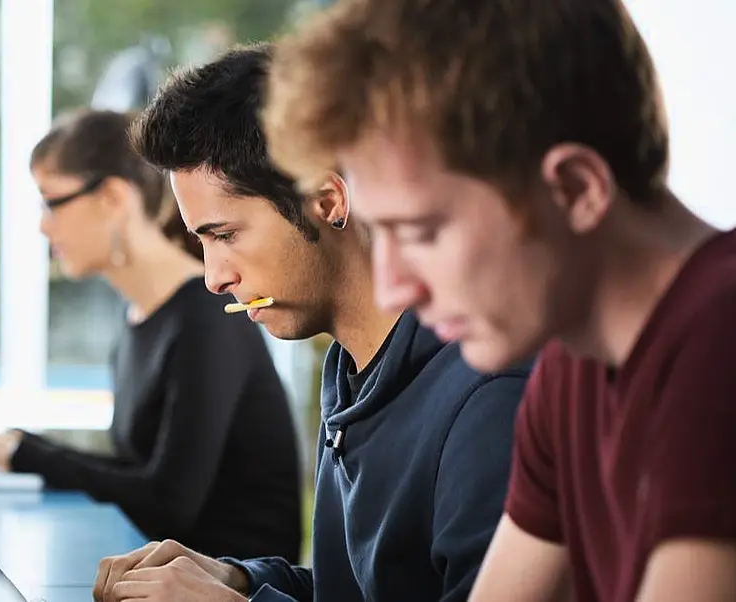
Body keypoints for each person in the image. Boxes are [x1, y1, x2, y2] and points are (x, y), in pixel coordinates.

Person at [261, 1, 736, 601]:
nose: (393, 288)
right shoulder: (571, 369)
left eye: (423, 232)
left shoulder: (719, 348)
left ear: (574, 189)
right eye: (379, 235)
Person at [92, 44, 531, 602]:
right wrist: (240, 578)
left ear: (326, 200)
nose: (213, 278)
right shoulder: (352, 369)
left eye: (224, 235)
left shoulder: (490, 397)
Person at [0, 108, 302, 563]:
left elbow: (168, 502)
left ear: (112, 198)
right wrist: (17, 444)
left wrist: (22, 453)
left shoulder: (208, 317)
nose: (42, 225)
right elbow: (136, 472)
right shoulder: (139, 318)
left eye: (51, 201)